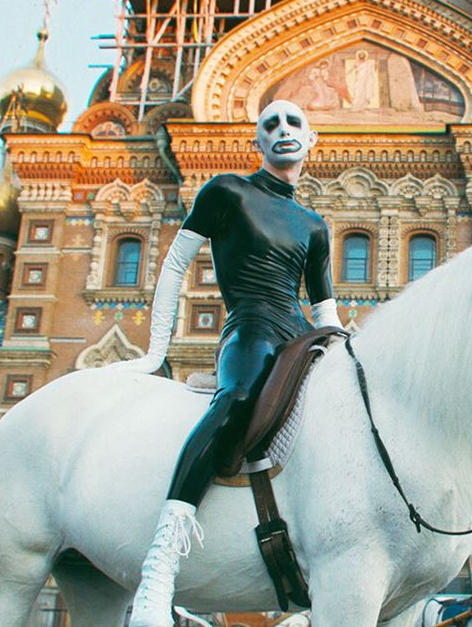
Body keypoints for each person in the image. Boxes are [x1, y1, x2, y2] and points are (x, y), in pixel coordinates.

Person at [109, 99, 342, 626]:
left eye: (294, 123)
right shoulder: (227, 192)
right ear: (257, 142)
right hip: (252, 328)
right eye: (270, 124)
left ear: (311, 139)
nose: (283, 130)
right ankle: (160, 567)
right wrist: (155, 352)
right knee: (236, 399)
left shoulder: (313, 225)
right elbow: (175, 264)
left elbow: (324, 307)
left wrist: (344, 353)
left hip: (301, 336)